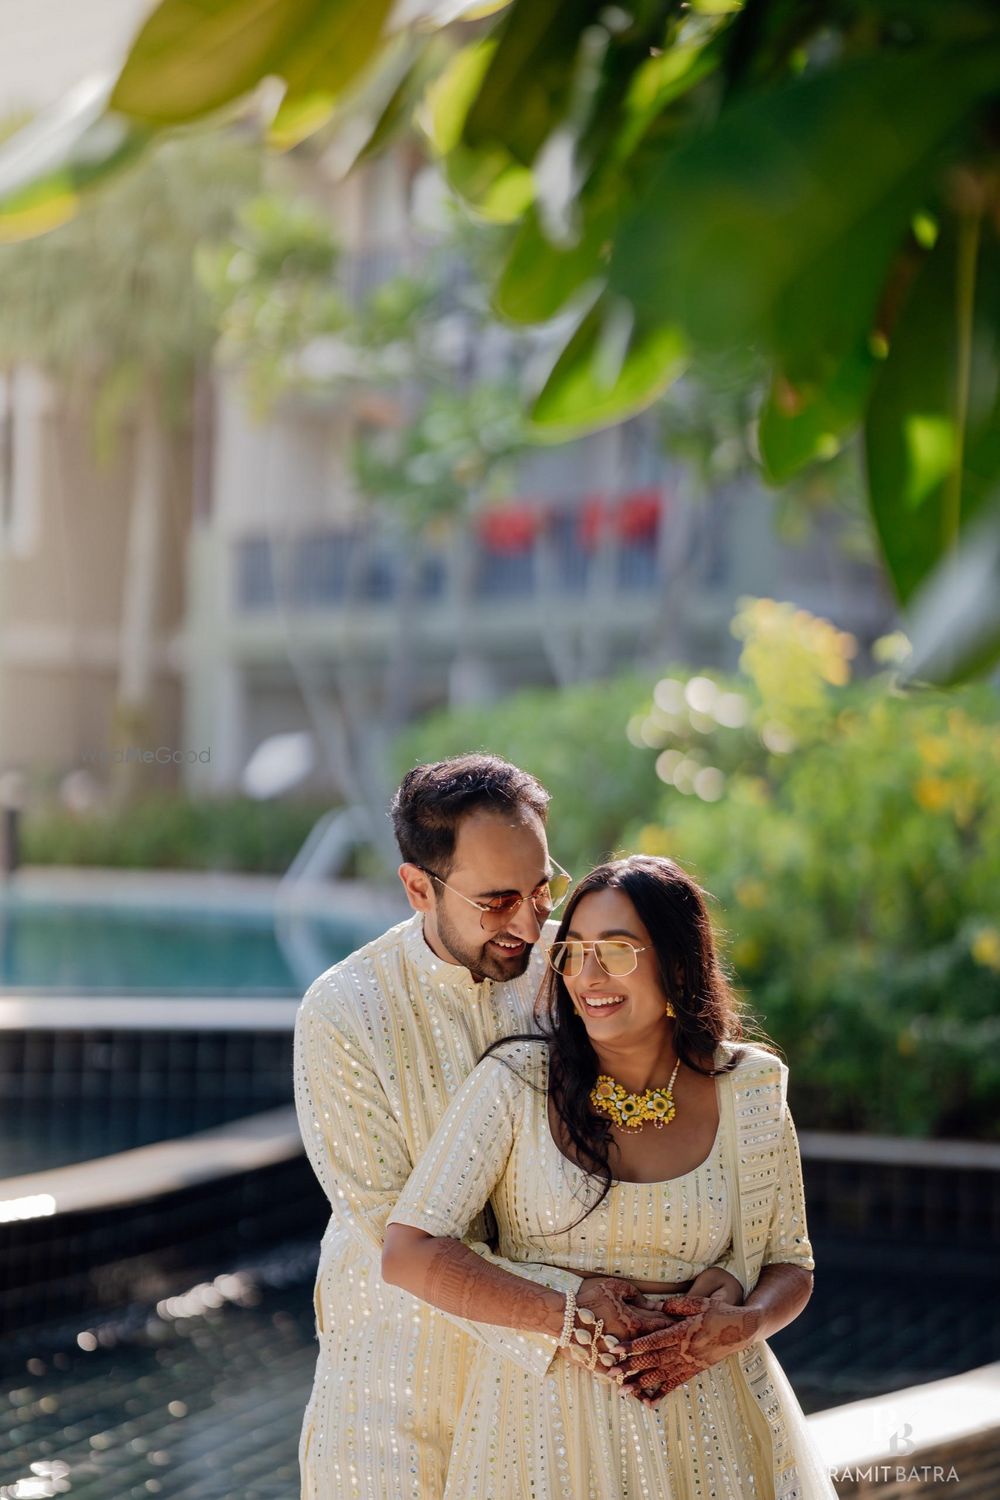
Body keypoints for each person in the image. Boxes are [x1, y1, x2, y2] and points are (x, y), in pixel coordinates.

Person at [293, 759, 743, 1499]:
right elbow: (391, 1232)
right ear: (417, 889)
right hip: (398, 1395)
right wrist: (570, 1306)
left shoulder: (581, 969)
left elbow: (675, 1112)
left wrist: (719, 1269)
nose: (532, 925)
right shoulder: (343, 1014)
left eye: (543, 889)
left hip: (559, 1410)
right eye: (498, 901)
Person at [383, 854, 838, 1500]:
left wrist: (745, 1322)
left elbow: (791, 1264)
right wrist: (564, 1314)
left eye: (617, 952)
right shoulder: (517, 1083)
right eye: (573, 952)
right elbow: (409, 1251)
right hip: (541, 1436)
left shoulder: (749, 1088)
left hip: (710, 1433)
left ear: (678, 964)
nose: (587, 975)